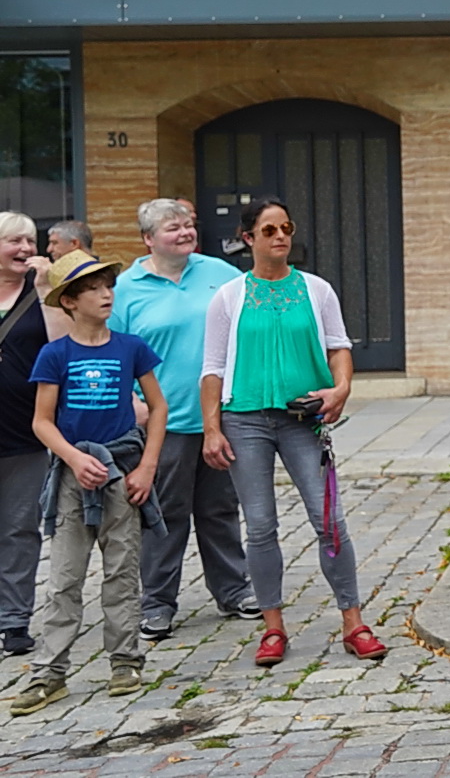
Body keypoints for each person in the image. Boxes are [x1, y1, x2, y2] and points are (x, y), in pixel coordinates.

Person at [199, 198, 387, 666]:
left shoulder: (317, 290)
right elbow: (213, 368)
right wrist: (211, 429)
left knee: (329, 520)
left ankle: (353, 621)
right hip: (244, 419)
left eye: (286, 227)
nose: (280, 236)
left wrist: (341, 389)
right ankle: (273, 627)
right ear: (248, 239)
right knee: (260, 526)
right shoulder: (229, 297)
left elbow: (339, 347)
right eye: (268, 230)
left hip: (303, 419)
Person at [11, 250, 167, 716]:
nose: (106, 295)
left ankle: (125, 659)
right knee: (64, 578)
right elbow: (42, 421)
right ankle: (49, 673)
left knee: (122, 572)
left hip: (121, 472)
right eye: (94, 289)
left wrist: (147, 467)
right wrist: (75, 459)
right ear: (70, 302)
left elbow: (158, 409)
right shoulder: (55, 354)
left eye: (108, 286)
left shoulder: (130, 347)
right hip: (73, 479)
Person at [111, 199, 257, 640]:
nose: (185, 233)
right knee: (164, 514)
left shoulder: (223, 276)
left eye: (188, 226)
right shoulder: (125, 289)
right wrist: (129, 402)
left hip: (219, 417)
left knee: (220, 509)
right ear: (148, 239)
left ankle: (233, 590)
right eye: (173, 228)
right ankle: (157, 602)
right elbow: (112, 350)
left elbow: (247, 334)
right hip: (163, 423)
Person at [0, 213, 68, 657]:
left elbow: (62, 345)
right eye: (14, 241)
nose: (25, 248)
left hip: (24, 428)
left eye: (31, 240)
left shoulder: (41, 291)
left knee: (19, 529)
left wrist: (45, 291)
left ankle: (14, 620)